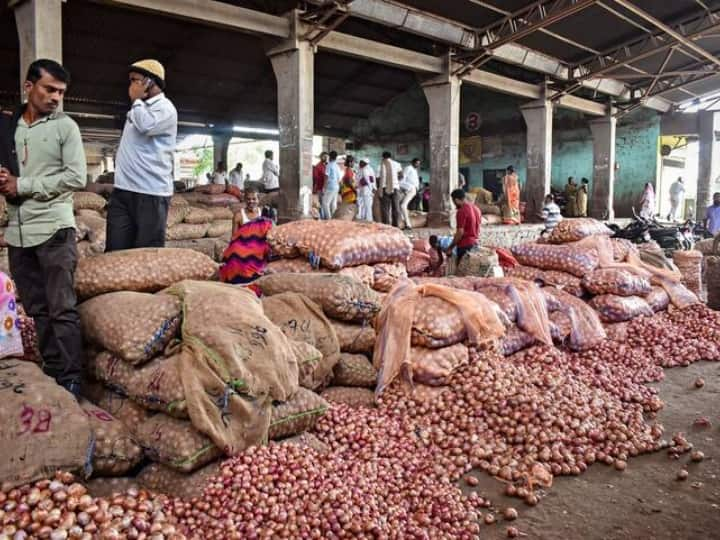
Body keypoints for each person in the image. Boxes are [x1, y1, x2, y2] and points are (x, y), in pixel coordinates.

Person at [0, 59, 87, 397]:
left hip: (54, 229)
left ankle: (72, 379)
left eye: (61, 92)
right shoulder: (8, 128)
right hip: (19, 234)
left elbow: (76, 177)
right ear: (28, 86)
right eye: (49, 89)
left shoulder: (66, 127)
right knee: (36, 309)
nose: (56, 97)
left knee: (61, 308)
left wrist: (22, 185)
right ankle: (52, 370)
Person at [106, 59, 177, 251]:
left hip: (150, 193)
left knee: (146, 254)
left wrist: (136, 101)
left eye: (134, 80)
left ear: (150, 82)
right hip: (123, 190)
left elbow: (146, 126)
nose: (130, 86)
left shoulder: (166, 108)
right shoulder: (138, 109)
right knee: (116, 250)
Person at [219, 187, 273, 296]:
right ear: (244, 200)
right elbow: (234, 238)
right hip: (243, 249)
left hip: (260, 248)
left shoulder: (264, 213)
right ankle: (242, 287)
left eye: (254, 199)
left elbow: (271, 233)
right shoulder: (239, 216)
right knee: (235, 261)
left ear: (258, 200)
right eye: (248, 199)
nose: (251, 201)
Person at [444, 189, 481, 260]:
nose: (454, 204)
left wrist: (450, 247)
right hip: (475, 244)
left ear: (457, 200)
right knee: (471, 270)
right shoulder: (476, 209)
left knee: (462, 270)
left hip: (465, 246)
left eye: (454, 202)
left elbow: (460, 232)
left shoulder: (462, 211)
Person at [377, 151, 402, 227]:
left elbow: (377, 179)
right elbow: (401, 175)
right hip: (395, 188)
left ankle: (387, 226)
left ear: (383, 157)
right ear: (391, 157)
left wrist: (379, 188)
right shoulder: (397, 164)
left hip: (385, 188)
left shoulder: (380, 165)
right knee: (396, 208)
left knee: (385, 208)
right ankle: (396, 225)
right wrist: (395, 181)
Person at [400, 158, 421, 230]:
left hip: (412, 189)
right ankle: (407, 224)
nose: (417, 165)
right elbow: (403, 179)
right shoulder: (408, 168)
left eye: (418, 164)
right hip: (409, 189)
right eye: (416, 163)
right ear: (412, 162)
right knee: (402, 206)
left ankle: (407, 224)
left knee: (403, 206)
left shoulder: (414, 170)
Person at [321, 150, 341, 219]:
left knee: (325, 203)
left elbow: (326, 176)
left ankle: (329, 219)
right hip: (336, 186)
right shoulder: (337, 166)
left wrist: (324, 187)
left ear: (330, 157)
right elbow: (339, 178)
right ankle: (334, 219)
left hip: (330, 187)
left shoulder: (329, 165)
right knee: (333, 203)